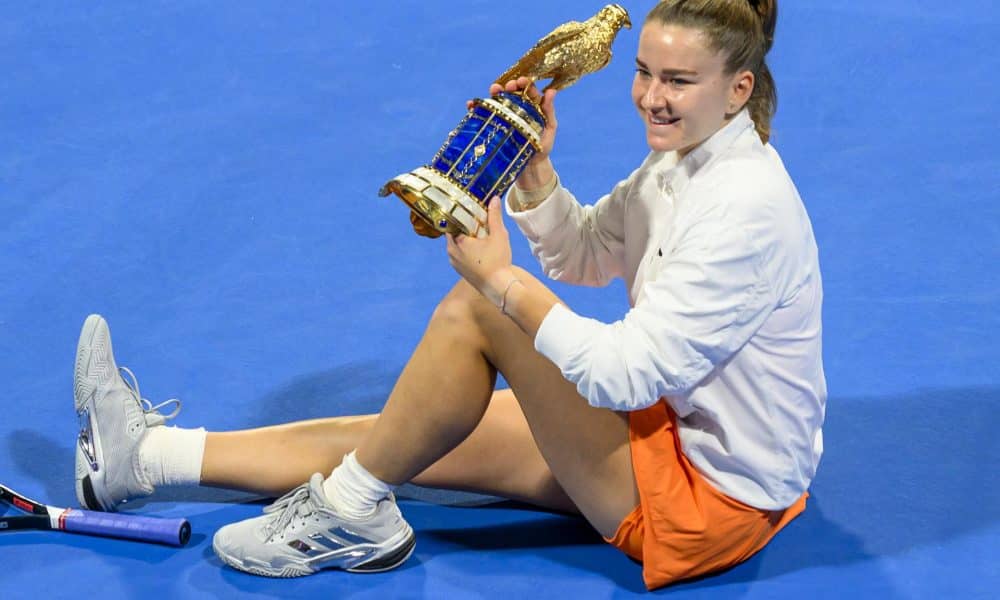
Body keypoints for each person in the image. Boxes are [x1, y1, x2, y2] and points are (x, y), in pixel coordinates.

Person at [73, 0, 824, 589]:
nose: (650, 99)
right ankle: (142, 459)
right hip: (666, 434)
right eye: (644, 73)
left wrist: (500, 282)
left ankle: (347, 515)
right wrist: (533, 173)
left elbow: (625, 371)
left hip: (704, 504)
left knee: (476, 312)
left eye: (678, 81)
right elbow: (589, 253)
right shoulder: (685, 161)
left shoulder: (744, 210)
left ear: (739, 89)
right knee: (405, 433)